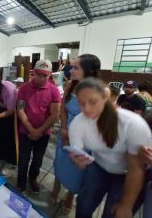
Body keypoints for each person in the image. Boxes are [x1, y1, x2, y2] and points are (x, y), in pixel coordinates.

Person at [68, 77, 152, 218]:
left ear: (107, 98)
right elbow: (76, 149)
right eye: (81, 103)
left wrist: (126, 205)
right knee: (84, 205)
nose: (87, 109)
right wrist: (77, 158)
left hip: (126, 174)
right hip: (99, 165)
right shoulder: (79, 123)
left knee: (112, 212)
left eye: (93, 102)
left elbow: (136, 169)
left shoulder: (133, 124)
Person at [51, 54, 101, 214]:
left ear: (89, 71)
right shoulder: (70, 85)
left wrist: (73, 136)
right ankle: (56, 186)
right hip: (66, 130)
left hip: (83, 138)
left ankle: (70, 195)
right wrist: (64, 128)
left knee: (76, 169)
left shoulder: (97, 92)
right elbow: (63, 108)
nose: (70, 70)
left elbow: (95, 123)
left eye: (75, 68)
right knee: (60, 160)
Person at [16, 59, 61, 192]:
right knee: (23, 160)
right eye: (39, 74)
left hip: (43, 133)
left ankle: (33, 179)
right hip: (25, 131)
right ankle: (21, 183)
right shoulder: (24, 88)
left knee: (38, 160)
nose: (42, 78)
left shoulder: (54, 90)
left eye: (45, 75)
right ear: (33, 73)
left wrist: (39, 131)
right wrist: (31, 129)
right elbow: (20, 109)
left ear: (50, 75)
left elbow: (54, 114)